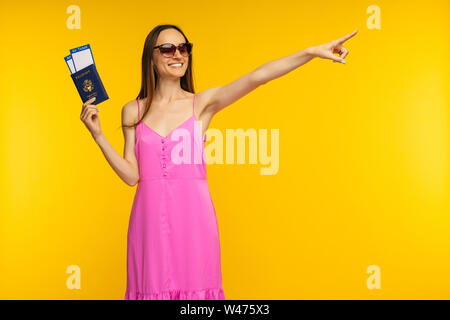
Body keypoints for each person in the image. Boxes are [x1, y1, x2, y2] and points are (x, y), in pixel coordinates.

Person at [80, 24, 358, 300]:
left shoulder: (201, 104)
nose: (178, 55)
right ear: (150, 57)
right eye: (167, 49)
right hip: (148, 221)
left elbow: (257, 77)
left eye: (183, 48)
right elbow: (131, 176)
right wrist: (98, 135)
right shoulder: (133, 110)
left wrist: (310, 52)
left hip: (194, 220)